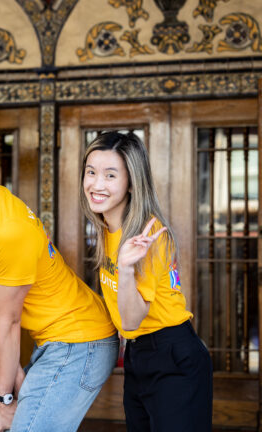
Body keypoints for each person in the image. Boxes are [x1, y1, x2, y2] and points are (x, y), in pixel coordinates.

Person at [0, 114, 118, 432]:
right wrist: (15, 374)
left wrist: (3, 398)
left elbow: (9, 322)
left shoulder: (9, 228)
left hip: (81, 340)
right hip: (50, 340)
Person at [80, 131, 213, 431]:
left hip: (172, 356)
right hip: (138, 355)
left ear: (131, 182)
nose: (97, 184)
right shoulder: (106, 229)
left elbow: (130, 320)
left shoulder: (147, 236)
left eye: (110, 175)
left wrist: (126, 269)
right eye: (91, 172)